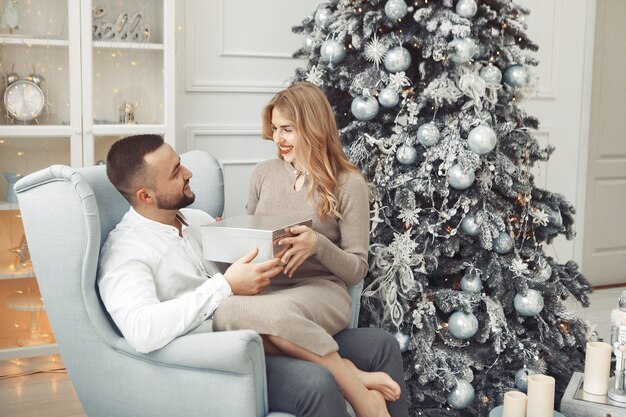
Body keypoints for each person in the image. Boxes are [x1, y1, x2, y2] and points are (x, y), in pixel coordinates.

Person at [98, 133, 408, 417]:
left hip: (262, 331)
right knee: (316, 380)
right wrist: (225, 286)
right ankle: (349, 378)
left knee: (379, 345)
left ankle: (349, 370)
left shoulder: (196, 220)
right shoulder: (126, 250)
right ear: (146, 195)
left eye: (181, 164)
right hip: (217, 357)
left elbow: (241, 267)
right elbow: (140, 330)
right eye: (176, 172)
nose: (188, 174)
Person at [212, 82, 408, 417]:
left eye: (288, 130)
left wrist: (317, 244)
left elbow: (357, 268)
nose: (278, 139)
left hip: (322, 293)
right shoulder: (263, 173)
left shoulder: (348, 183)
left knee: (275, 317)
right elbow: (255, 239)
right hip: (266, 293)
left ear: (313, 128)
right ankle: (349, 372)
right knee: (224, 314)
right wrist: (226, 234)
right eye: (274, 129)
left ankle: (365, 401)